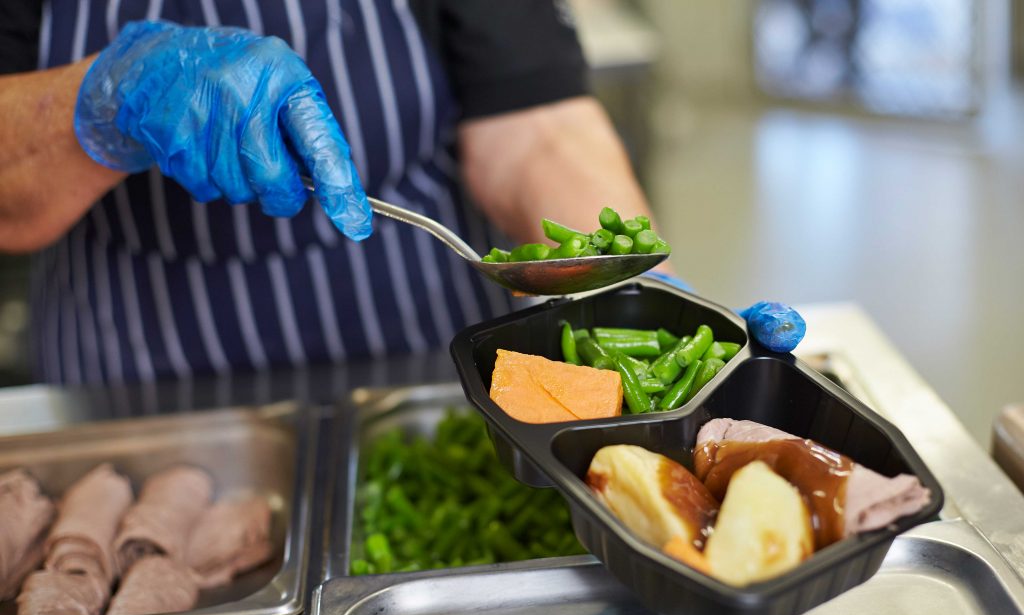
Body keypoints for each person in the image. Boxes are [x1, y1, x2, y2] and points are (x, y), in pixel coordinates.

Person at [0, 1, 803, 385]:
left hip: (427, 365)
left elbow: (534, 128)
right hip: (144, 385)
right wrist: (103, 103)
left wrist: (636, 295)